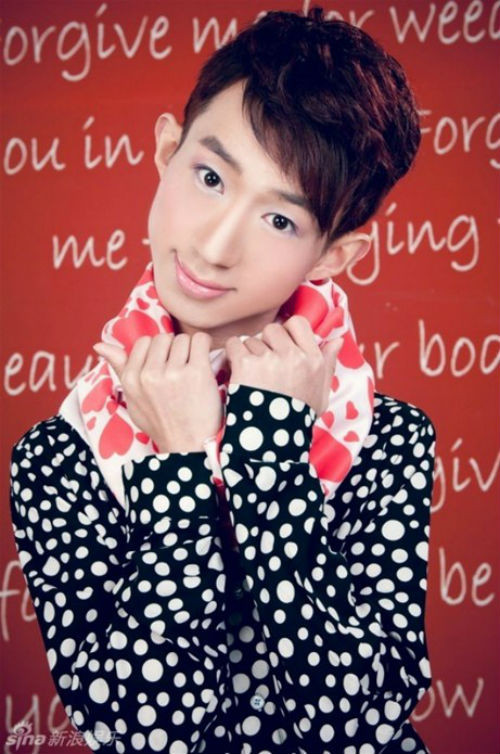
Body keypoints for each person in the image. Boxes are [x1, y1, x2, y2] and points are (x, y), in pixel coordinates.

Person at [9, 6, 436, 754]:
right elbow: (144, 735)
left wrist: (274, 455)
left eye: (280, 221)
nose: (214, 245)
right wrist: (180, 463)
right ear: (166, 150)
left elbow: (359, 725)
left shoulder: (386, 439)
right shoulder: (60, 457)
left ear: (334, 255)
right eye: (210, 177)